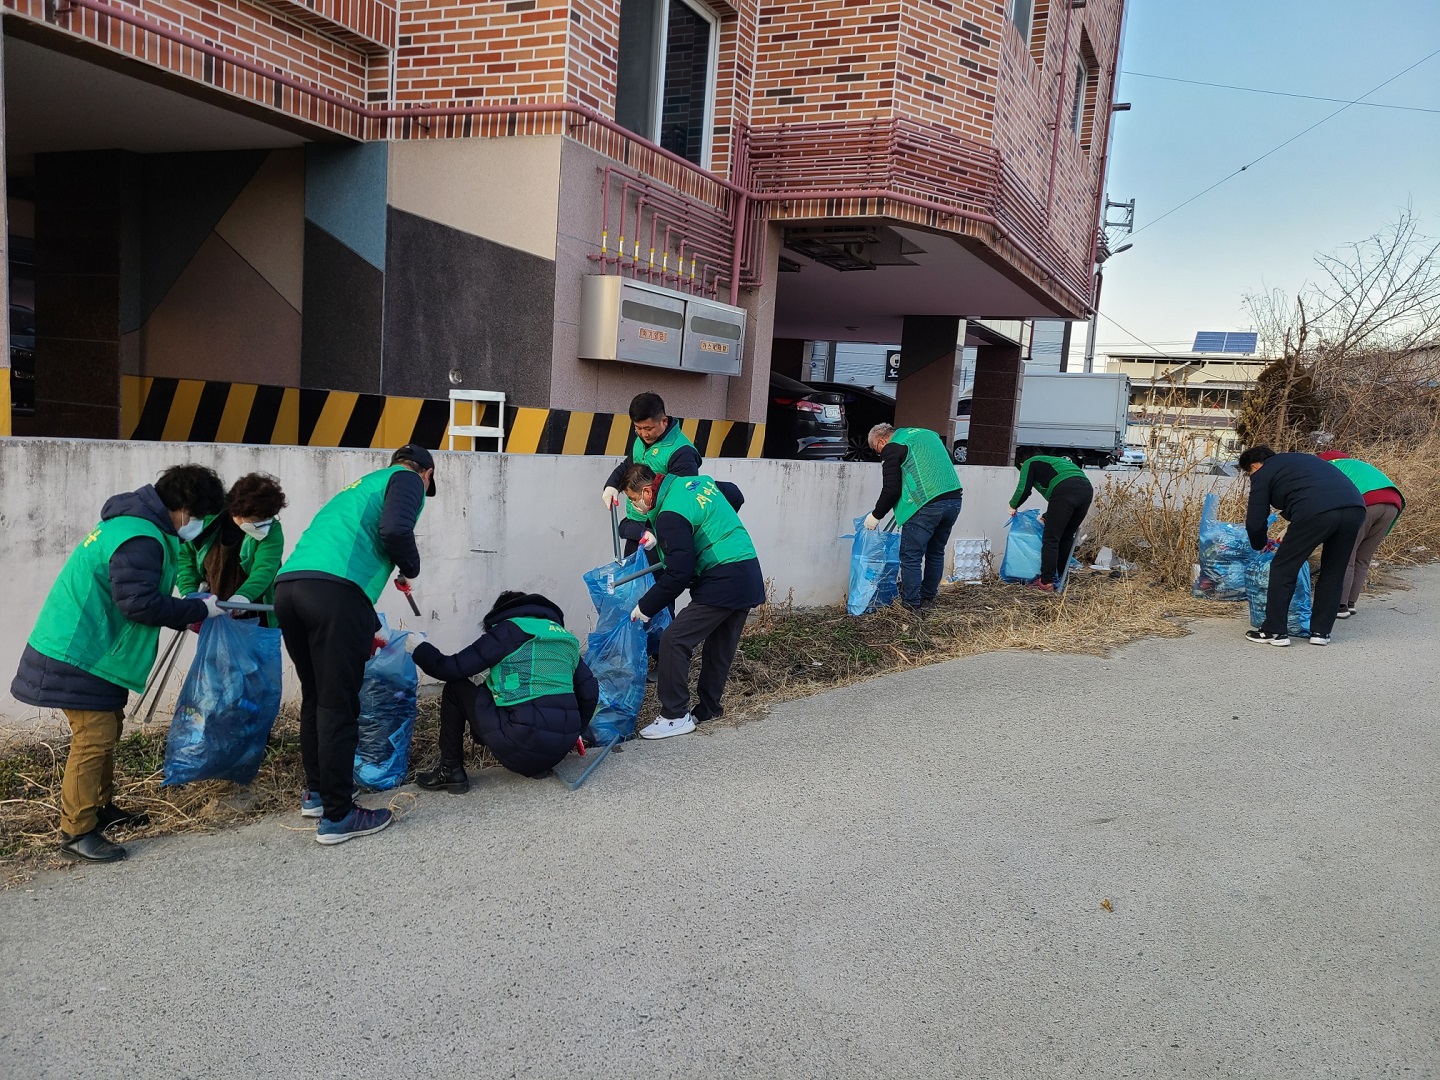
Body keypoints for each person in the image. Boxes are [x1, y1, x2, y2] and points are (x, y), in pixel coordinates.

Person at [11, 464, 229, 863]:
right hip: (79, 651)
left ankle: (99, 807)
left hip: (90, 647)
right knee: (93, 738)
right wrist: (195, 609)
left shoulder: (133, 525)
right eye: (199, 516)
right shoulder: (140, 537)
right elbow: (139, 604)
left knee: (108, 726)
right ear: (183, 509)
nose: (197, 525)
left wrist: (188, 605)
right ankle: (76, 832)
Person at [274, 444, 435, 845]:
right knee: (338, 704)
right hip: (335, 591)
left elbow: (367, 535)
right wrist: (411, 567)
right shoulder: (407, 478)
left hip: (290, 588)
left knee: (316, 697)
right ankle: (339, 815)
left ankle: (318, 795)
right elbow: (395, 529)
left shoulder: (362, 486)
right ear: (427, 473)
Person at [621, 464, 764, 739]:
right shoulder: (692, 484)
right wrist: (713, 530)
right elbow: (734, 494)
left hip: (722, 578)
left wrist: (645, 607)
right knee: (719, 646)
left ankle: (674, 716)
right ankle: (709, 709)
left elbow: (679, 574)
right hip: (747, 570)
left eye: (633, 498)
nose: (635, 505)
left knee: (674, 640)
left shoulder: (669, 515)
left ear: (648, 492)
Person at [409, 591, 599, 793]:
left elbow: (449, 669)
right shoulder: (563, 638)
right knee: (496, 688)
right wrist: (574, 732)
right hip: (560, 748)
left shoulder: (509, 630)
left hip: (521, 742)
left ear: (502, 612)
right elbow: (589, 692)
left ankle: (450, 769)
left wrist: (419, 648)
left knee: (456, 687)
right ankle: (537, 765)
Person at [1238, 446, 1364, 647]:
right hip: (1355, 509)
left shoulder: (1263, 472)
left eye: (1249, 473)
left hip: (1316, 511)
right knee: (1333, 572)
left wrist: (1259, 544)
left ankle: (1274, 631)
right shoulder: (1300, 461)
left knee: (1283, 568)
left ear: (1253, 466)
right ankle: (1321, 632)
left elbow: (1255, 521)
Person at [864, 423, 964, 610]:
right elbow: (947, 460)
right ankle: (927, 599)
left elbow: (891, 489)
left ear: (881, 441)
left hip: (925, 505)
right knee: (936, 552)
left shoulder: (892, 447)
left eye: (877, 450)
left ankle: (911, 605)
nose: (880, 454)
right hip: (953, 499)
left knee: (911, 557)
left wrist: (876, 515)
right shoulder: (929, 434)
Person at [175, 473, 288, 627]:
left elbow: (265, 568)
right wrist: (189, 592)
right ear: (237, 514)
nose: (265, 525)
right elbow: (185, 558)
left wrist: (244, 596)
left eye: (269, 518)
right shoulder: (207, 521)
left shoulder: (272, 531)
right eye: (258, 521)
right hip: (212, 604)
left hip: (255, 608)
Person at [601, 392, 701, 555]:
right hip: (635, 526)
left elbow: (682, 497)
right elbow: (628, 466)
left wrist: (653, 530)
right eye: (638, 428)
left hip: (659, 535)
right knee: (632, 571)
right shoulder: (641, 441)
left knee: (655, 572)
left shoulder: (682, 452)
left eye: (648, 428)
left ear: (664, 421)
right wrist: (612, 485)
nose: (643, 434)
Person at [1317, 451, 1405, 618]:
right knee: (1362, 558)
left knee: (1346, 554)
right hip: (1393, 504)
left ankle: (1340, 605)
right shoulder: (1356, 464)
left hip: (1367, 503)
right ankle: (1350, 603)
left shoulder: (1329, 467)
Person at [1007, 453, 1093, 592]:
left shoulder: (1029, 462)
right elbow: (1063, 502)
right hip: (1086, 490)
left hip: (1065, 490)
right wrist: (1047, 516)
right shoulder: (1054, 462)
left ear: (1021, 464)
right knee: (1066, 536)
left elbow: (1024, 490)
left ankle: (1046, 581)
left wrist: (1013, 505)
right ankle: (1061, 577)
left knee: (1051, 539)